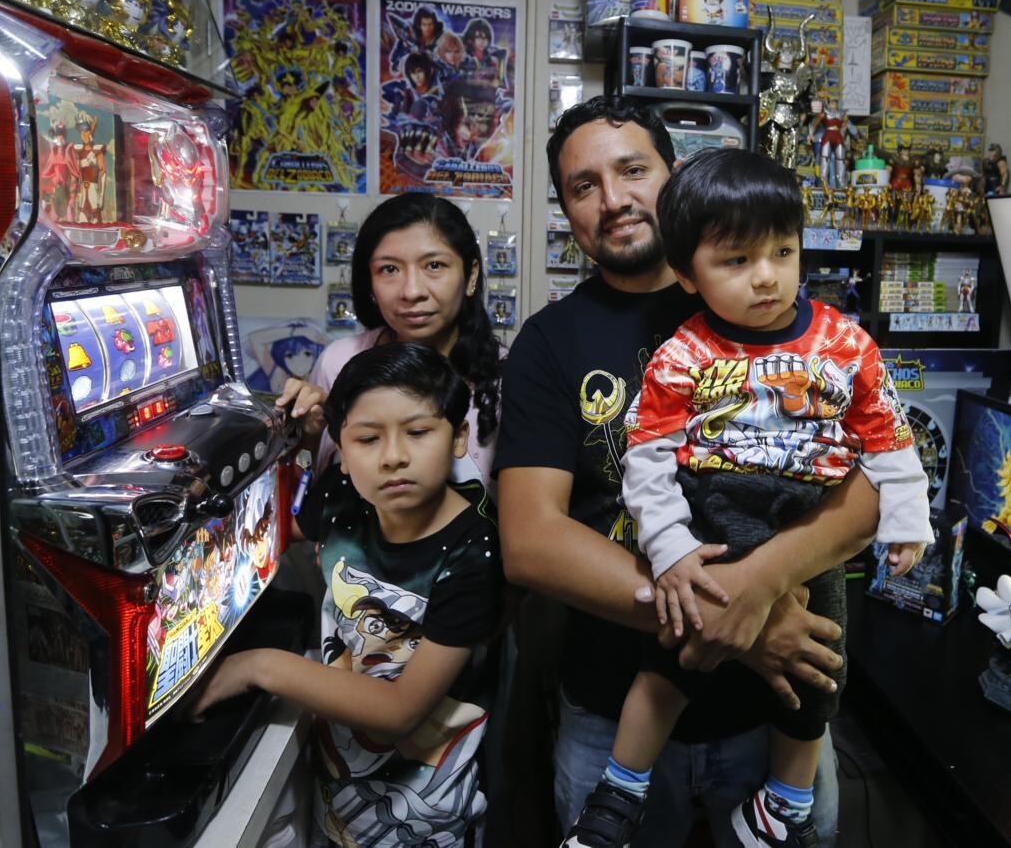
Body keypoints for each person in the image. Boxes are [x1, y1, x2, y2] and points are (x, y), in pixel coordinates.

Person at [497, 96, 880, 847]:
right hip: (615, 715)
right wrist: (732, 619)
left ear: (674, 176)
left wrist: (761, 589)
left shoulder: (774, 312)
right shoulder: (548, 344)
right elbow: (531, 541)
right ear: (567, 209)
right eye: (583, 185)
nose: (613, 199)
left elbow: (866, 492)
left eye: (633, 169)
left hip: (770, 714)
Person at [560, 149, 932, 848]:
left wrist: (906, 518)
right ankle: (620, 791)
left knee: (821, 672)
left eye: (782, 252)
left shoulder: (845, 344)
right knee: (669, 663)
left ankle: (785, 803)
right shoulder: (684, 353)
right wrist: (670, 550)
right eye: (736, 261)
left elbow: (887, 437)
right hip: (711, 517)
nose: (766, 276)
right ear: (686, 274)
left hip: (806, 520)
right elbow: (646, 460)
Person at [192, 343, 504, 845]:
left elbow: (400, 710)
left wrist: (257, 666)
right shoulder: (344, 499)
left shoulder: (476, 554)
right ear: (342, 450)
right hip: (336, 779)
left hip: (429, 812)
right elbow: (273, 528)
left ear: (459, 437)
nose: (395, 456)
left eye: (419, 432)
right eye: (367, 439)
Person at [278, 193, 501, 487]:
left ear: (471, 275)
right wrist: (308, 433)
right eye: (390, 269)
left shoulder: (511, 375)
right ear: (369, 281)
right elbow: (310, 504)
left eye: (434, 265)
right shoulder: (340, 362)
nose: (411, 291)